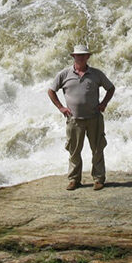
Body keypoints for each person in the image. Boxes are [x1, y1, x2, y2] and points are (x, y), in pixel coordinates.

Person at [47, 44, 115, 191]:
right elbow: (51, 91)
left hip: (94, 118)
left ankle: (98, 179)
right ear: (73, 57)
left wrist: (103, 104)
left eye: (84, 55)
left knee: (97, 149)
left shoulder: (96, 74)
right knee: (74, 151)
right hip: (74, 120)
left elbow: (111, 88)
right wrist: (61, 108)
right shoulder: (64, 74)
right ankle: (74, 180)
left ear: (88, 57)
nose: (81, 57)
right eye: (78, 55)